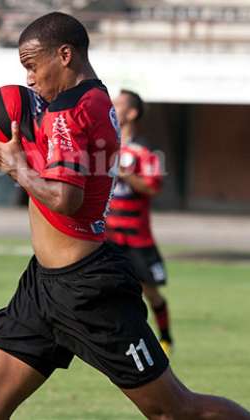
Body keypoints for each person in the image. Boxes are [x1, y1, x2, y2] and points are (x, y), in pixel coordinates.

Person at [0, 12, 250, 420]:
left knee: (174, 410)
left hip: (88, 290)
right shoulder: (82, 102)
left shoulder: (72, 111)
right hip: (42, 286)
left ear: (64, 55)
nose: (29, 79)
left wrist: (16, 166)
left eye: (32, 66)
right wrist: (17, 153)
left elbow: (65, 199)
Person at [106, 90, 173, 355]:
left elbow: (152, 187)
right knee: (106, 291)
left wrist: (126, 174)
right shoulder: (102, 148)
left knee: (151, 293)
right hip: (108, 237)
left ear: (131, 113)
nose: (111, 107)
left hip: (137, 238)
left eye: (117, 104)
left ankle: (166, 338)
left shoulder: (145, 153)